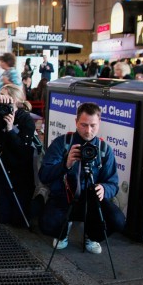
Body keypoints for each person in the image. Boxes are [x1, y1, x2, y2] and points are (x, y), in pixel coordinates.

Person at [38, 103, 126, 254]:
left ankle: (92, 235)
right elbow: (44, 175)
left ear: (99, 123)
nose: (88, 130)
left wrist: (104, 189)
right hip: (63, 196)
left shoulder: (104, 149)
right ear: (76, 122)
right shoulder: (62, 143)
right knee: (47, 224)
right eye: (83, 125)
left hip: (91, 199)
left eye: (93, 125)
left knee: (118, 220)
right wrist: (65, 164)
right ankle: (63, 230)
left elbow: (112, 182)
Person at [0, 85, 35, 226]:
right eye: (2, 98)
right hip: (3, 168)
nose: (4, 103)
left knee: (19, 221)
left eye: (8, 100)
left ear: (17, 102)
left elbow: (23, 151)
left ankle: (40, 199)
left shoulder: (26, 119)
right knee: (3, 218)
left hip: (20, 173)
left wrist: (10, 130)